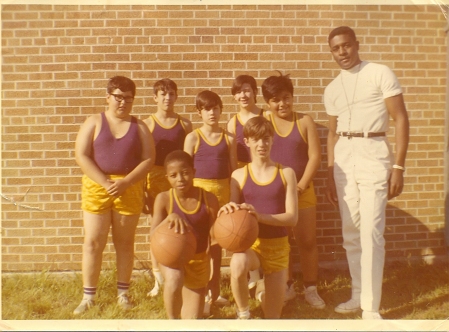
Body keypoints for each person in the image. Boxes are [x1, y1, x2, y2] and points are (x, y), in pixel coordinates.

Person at [324, 26, 409, 320]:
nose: (342, 53)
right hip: (344, 160)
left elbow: (400, 119)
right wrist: (330, 172)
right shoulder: (333, 88)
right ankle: (358, 294)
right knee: (351, 232)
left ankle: (370, 308)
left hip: (374, 151)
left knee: (371, 233)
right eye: (336, 48)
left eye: (346, 46)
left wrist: (398, 166)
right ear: (331, 52)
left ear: (356, 45)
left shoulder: (379, 72)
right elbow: (333, 134)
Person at [73, 76, 155, 315]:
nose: (123, 102)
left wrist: (126, 182)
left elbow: (149, 159)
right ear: (108, 97)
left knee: (125, 243)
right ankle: (88, 296)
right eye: (118, 97)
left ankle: (123, 293)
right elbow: (81, 155)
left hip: (128, 187)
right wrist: (105, 182)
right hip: (98, 185)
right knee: (92, 242)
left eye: (128, 98)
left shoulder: (139, 127)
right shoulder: (94, 122)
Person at [219, 116, 298, 319]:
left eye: (266, 138)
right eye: (256, 139)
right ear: (247, 142)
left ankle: (262, 291)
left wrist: (259, 216)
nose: (261, 144)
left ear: (272, 140)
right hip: (252, 246)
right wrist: (227, 209)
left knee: (272, 318)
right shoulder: (238, 175)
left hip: (278, 248)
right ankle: (243, 314)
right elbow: (234, 211)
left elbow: (292, 219)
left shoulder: (286, 173)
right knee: (237, 262)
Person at [261, 72, 325, 309]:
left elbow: (315, 157)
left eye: (286, 97)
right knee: (281, 241)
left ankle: (311, 288)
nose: (282, 104)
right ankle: (285, 286)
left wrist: (300, 185)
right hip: (277, 194)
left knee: (307, 240)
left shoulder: (304, 121)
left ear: (292, 97)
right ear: (268, 103)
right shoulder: (265, 122)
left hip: (302, 190)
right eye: (276, 99)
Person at [184, 90, 237, 316]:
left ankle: (213, 293)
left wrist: (234, 199)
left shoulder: (229, 138)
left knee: (216, 246)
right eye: (207, 109)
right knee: (199, 246)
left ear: (220, 110)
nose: (212, 113)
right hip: (200, 196)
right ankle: (197, 290)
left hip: (222, 195)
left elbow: (234, 171)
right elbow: (185, 172)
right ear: (199, 112)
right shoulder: (193, 137)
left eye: (215, 108)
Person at [151, 150, 219, 319]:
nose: (180, 179)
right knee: (174, 278)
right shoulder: (164, 199)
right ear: (167, 177)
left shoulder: (209, 199)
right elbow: (153, 235)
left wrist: (215, 278)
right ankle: (172, 323)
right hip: (172, 259)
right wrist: (168, 219)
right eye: (173, 175)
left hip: (198, 261)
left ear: (194, 172)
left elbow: (216, 241)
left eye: (185, 173)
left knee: (191, 322)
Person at [144, 78, 192, 297]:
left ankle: (183, 272)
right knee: (157, 229)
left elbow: (188, 159)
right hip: (156, 180)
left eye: (171, 94)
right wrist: (145, 188)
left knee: (182, 225)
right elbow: (143, 158)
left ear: (176, 96)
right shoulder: (148, 124)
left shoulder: (185, 124)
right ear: (155, 98)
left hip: (178, 181)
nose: (167, 98)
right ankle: (158, 278)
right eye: (163, 94)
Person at [227, 74, 265, 289]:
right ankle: (254, 275)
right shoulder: (233, 122)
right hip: (244, 175)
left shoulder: (265, 115)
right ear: (234, 96)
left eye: (247, 90)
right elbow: (233, 155)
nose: (243, 94)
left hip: (264, 173)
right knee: (247, 223)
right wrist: (237, 179)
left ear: (254, 92)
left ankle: (270, 273)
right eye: (238, 91)